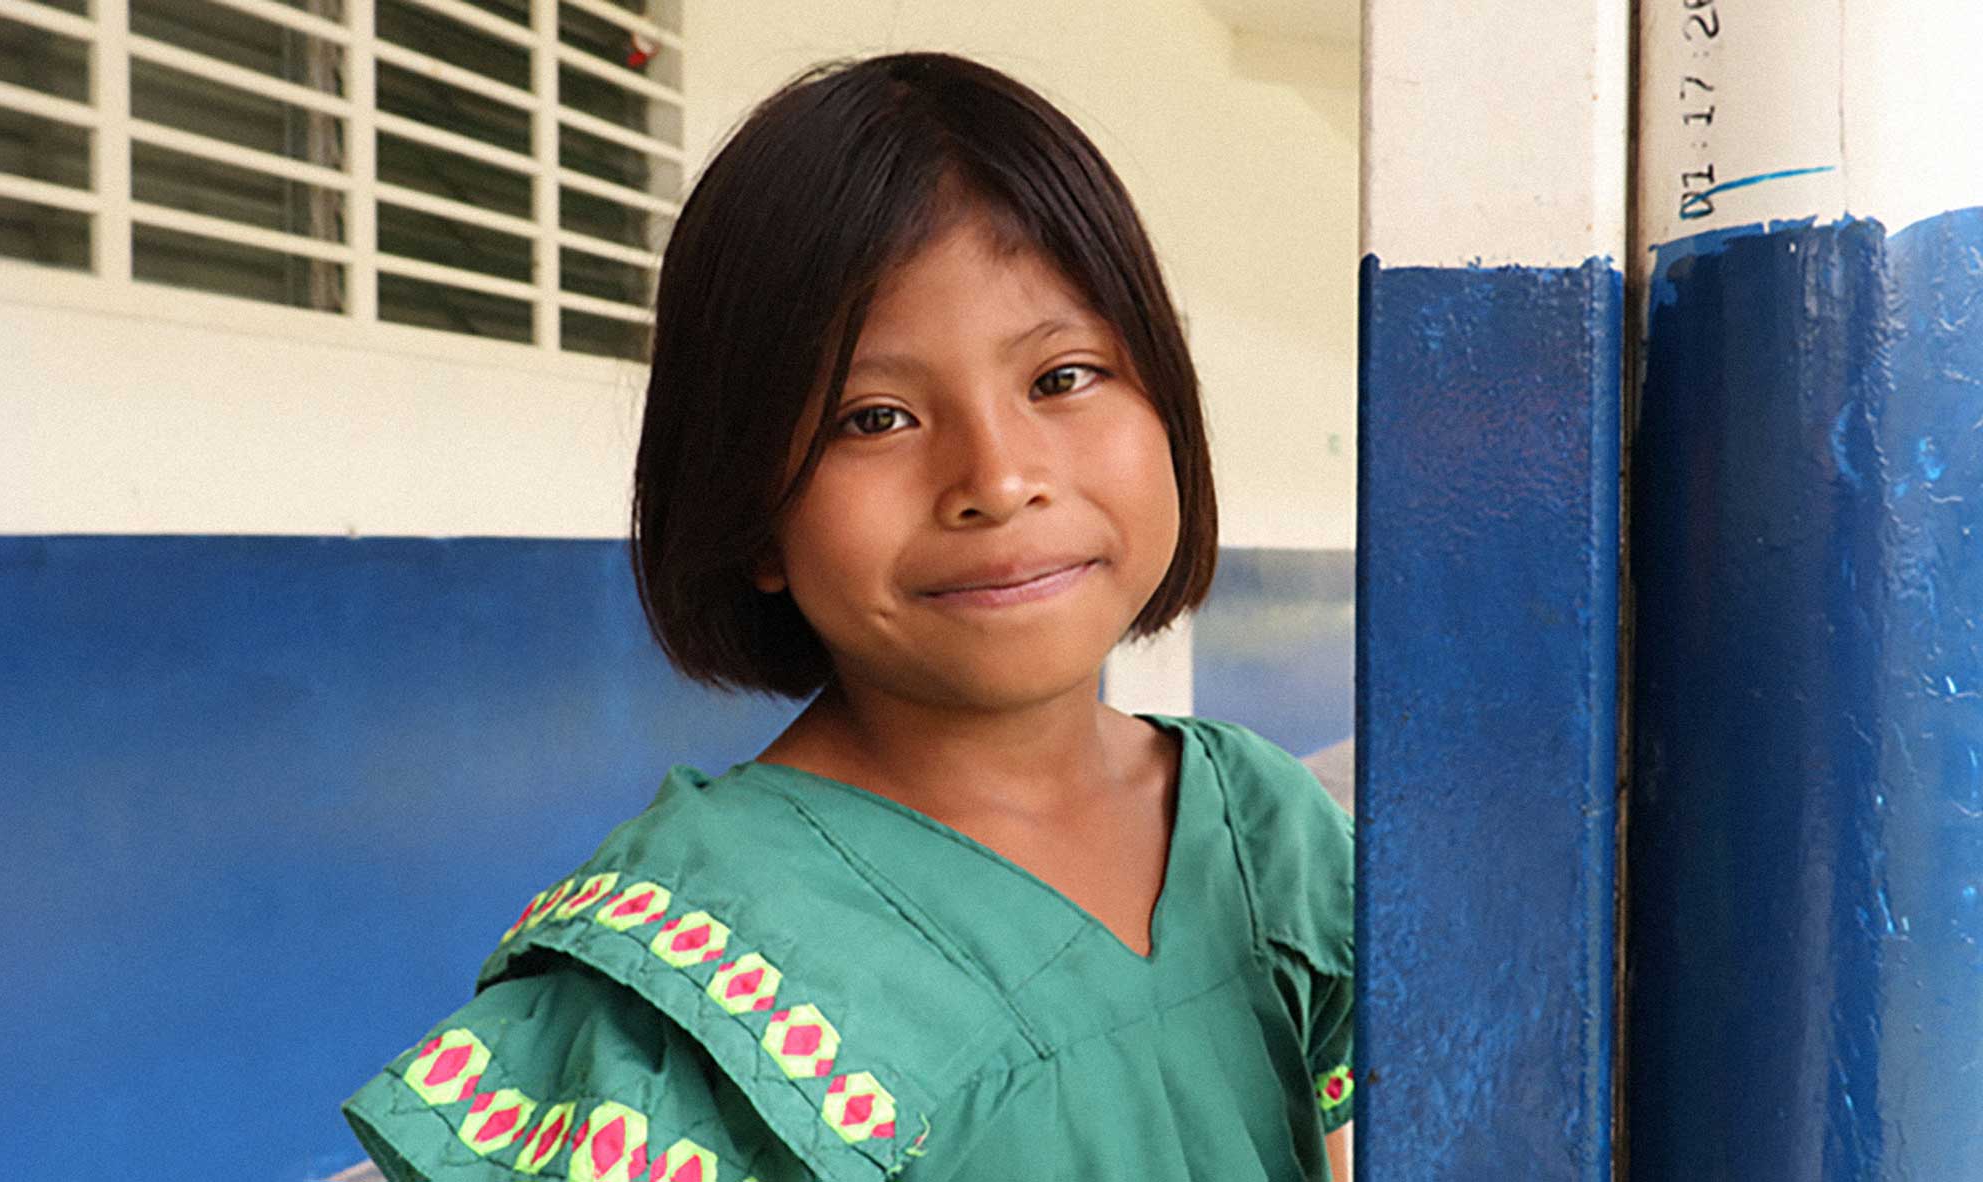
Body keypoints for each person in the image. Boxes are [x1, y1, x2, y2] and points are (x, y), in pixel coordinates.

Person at [341, 51, 1354, 1182]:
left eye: (1063, 377)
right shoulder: (687, 972)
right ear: (751, 508)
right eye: (873, 417)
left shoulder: (1268, 833)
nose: (998, 476)